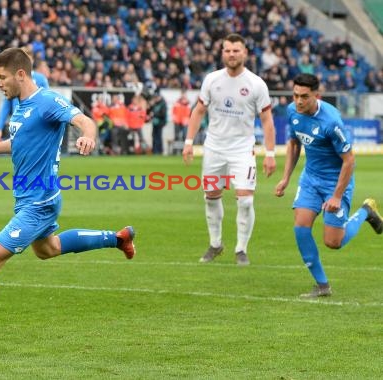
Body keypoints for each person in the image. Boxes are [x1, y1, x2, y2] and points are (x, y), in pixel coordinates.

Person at [0, 48, 136, 350]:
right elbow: (20, 142)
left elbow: (84, 120)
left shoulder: (47, 100)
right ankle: (117, 238)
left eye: (1, 77)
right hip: (27, 199)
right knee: (48, 249)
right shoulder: (20, 106)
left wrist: (88, 136)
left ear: (20, 74)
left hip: (40, 203)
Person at [275, 73, 383, 298]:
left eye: (304, 96)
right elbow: (294, 144)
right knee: (301, 226)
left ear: (317, 95)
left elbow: (349, 160)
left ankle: (365, 211)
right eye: (295, 95)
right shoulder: (293, 111)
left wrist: (335, 196)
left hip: (335, 181)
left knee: (333, 242)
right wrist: (286, 178)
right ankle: (322, 285)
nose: (299, 101)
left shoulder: (331, 121)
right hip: (310, 179)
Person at [182, 33, 277, 266]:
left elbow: (267, 120)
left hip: (242, 149)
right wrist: (188, 142)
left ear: (244, 53)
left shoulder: (256, 84)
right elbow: (198, 111)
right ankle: (215, 244)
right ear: (222, 53)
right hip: (214, 148)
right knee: (211, 198)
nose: (231, 54)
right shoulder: (212, 80)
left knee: (245, 201)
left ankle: (241, 249)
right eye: (227, 50)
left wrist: (270, 154)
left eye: (236, 50)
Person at [0, 46, 49, 142]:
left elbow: (47, 101)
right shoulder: (12, 79)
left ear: (31, 60)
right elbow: (6, 105)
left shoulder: (40, 79)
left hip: (35, 123)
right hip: (18, 121)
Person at [148, 88, 167, 155]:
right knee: (154, 136)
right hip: (155, 122)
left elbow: (162, 114)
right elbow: (150, 111)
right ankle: (155, 150)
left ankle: (159, 151)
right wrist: (150, 106)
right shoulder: (155, 104)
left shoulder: (163, 104)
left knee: (158, 137)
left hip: (160, 123)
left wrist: (154, 114)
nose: (155, 99)